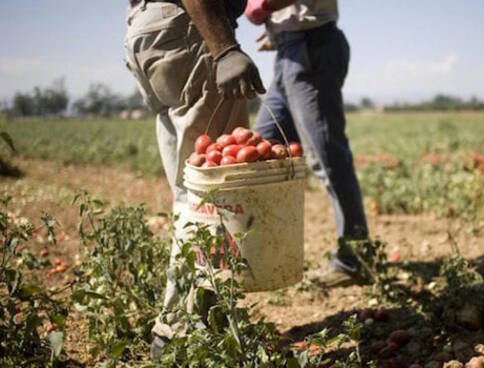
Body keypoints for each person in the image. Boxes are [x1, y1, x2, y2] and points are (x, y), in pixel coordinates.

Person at [123, 0, 265, 359]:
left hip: (149, 32)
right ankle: (180, 333)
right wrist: (225, 48)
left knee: (191, 194)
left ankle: (199, 322)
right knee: (212, 195)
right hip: (190, 29)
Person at [244, 0, 369, 286]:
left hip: (313, 46)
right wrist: (277, 28)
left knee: (327, 157)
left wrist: (261, 7)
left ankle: (354, 259)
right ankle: (265, 254)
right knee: (261, 149)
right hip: (290, 50)